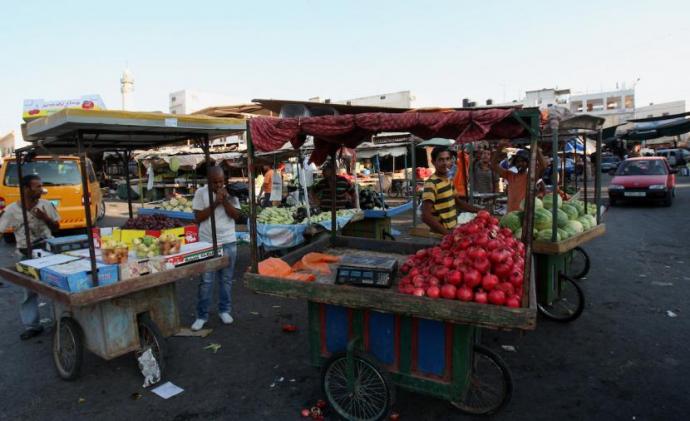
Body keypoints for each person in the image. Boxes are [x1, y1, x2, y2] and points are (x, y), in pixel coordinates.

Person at [0, 174, 59, 340]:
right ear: (26, 189)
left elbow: (56, 227)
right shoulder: (11, 210)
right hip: (26, 255)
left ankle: (61, 321)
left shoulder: (46, 205)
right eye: (38, 186)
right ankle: (32, 326)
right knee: (29, 292)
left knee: (58, 288)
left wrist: (45, 218)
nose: (42, 189)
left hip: (49, 251)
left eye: (41, 186)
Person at [191, 166, 241, 331]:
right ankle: (201, 315)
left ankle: (224, 310)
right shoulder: (201, 193)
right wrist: (215, 203)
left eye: (221, 181)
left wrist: (224, 200)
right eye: (215, 182)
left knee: (226, 280)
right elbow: (198, 218)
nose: (219, 185)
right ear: (208, 181)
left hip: (228, 241)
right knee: (206, 281)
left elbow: (236, 216)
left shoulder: (231, 192)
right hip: (207, 242)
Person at [422, 147, 480, 235]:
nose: (445, 163)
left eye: (447, 159)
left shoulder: (448, 181)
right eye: (441, 160)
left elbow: (458, 202)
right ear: (433, 162)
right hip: (440, 236)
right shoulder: (431, 184)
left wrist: (480, 211)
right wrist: (448, 234)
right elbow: (425, 216)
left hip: (451, 232)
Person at [491, 140, 547, 212]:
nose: (520, 163)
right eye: (518, 161)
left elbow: (543, 166)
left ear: (527, 163)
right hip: (511, 214)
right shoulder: (510, 175)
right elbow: (493, 165)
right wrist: (500, 148)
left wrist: (536, 148)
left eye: (523, 161)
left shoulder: (531, 177)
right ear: (515, 164)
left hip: (524, 215)